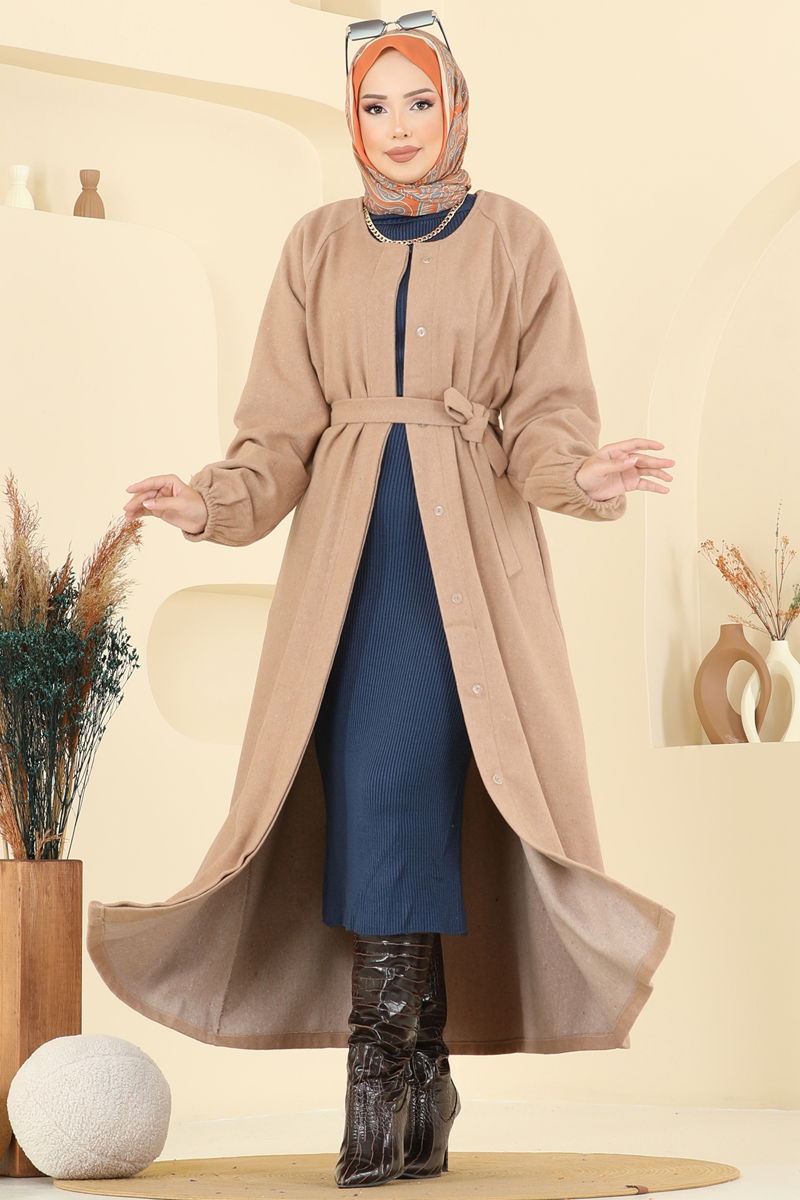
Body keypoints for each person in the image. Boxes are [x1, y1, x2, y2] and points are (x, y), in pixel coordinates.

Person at [122, 17, 675, 1191]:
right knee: (368, 798)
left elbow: (544, 423)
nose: (398, 127)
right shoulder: (315, 245)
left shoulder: (516, 239)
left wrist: (580, 476)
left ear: (455, 108)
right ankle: (414, 1080)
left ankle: (381, 1087)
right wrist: (207, 502)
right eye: (374, 107)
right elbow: (276, 433)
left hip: (464, 567)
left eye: (417, 102)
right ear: (352, 121)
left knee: (402, 787)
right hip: (342, 572)